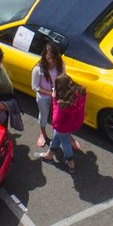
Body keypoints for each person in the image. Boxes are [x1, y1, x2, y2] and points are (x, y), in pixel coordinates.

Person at [46, 37, 84, 169]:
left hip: (64, 126)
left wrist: (54, 100)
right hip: (74, 122)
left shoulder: (62, 103)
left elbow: (56, 121)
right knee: (58, 136)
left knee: (65, 142)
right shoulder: (80, 92)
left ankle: (70, 162)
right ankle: (50, 154)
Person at [30, 44, 64, 158]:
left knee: (60, 118)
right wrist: (50, 93)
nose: (51, 61)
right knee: (43, 115)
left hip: (57, 95)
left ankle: (68, 137)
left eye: (53, 58)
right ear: (44, 57)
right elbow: (34, 87)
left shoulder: (60, 63)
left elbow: (64, 76)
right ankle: (43, 133)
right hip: (43, 97)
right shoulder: (37, 69)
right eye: (48, 58)